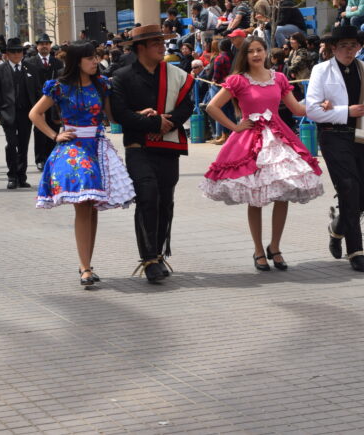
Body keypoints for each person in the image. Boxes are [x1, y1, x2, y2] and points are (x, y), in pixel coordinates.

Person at [200, 37, 324, 271]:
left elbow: (297, 109)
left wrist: (323, 107)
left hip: (279, 137)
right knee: (255, 197)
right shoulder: (237, 80)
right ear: (244, 55)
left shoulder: (279, 78)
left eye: (260, 50)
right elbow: (211, 106)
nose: (256, 54)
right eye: (251, 51)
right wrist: (235, 126)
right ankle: (258, 250)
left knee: (283, 193)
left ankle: (275, 247)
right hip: (250, 140)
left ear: (266, 52)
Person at [32, 42, 135, 286]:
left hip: (98, 146)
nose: (95, 62)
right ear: (77, 61)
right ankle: (85, 267)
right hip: (74, 148)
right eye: (90, 58)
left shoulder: (102, 85)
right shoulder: (59, 87)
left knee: (91, 205)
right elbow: (35, 114)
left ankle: (86, 264)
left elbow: (113, 117)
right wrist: (55, 135)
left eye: (96, 58)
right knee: (84, 203)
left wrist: (142, 113)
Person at [110, 24, 195, 283]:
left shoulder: (175, 74)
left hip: (168, 147)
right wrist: (154, 123)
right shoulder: (122, 77)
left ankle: (158, 254)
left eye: (162, 41)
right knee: (147, 196)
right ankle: (148, 259)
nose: (162, 46)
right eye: (155, 42)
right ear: (140, 48)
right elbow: (121, 115)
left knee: (165, 201)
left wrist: (169, 123)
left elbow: (187, 105)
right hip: (138, 147)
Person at [305, 25, 364, 273]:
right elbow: (312, 110)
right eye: (343, 45)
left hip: (361, 136)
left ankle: (338, 227)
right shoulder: (321, 70)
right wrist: (345, 112)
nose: (349, 50)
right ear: (333, 47)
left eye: (353, 45)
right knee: (348, 189)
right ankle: (357, 251)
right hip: (333, 136)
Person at [0, 37, 41, 189]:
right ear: (7, 54)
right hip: (8, 113)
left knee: (24, 145)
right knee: (12, 144)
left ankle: (21, 176)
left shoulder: (30, 68)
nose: (16, 54)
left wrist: (40, 111)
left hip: (26, 113)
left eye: (19, 51)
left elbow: (38, 91)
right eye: (13, 52)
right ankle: (12, 176)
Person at [27, 33, 63, 170]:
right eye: (41, 44)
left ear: (50, 46)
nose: (44, 46)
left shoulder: (57, 62)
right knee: (39, 130)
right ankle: (40, 159)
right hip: (38, 102)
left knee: (54, 128)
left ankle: (51, 157)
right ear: (37, 46)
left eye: (47, 44)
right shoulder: (30, 62)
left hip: (54, 103)